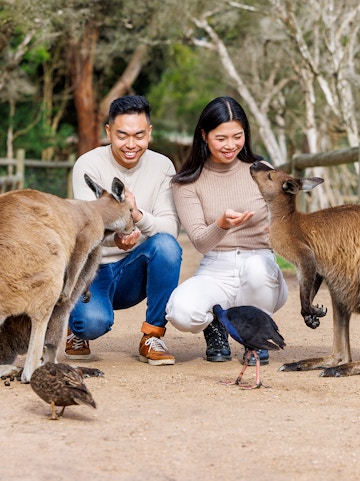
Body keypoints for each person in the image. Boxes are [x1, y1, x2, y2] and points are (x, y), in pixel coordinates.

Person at [165, 96, 288, 365]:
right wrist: (221, 225)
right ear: (204, 135)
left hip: (260, 265)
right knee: (181, 312)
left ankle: (256, 337)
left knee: (258, 269)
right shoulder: (186, 183)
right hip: (215, 267)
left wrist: (278, 228)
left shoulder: (263, 172)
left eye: (237, 136)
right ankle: (217, 324)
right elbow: (200, 241)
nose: (230, 145)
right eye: (221, 138)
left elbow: (285, 219)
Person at [65, 95, 182, 366]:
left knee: (166, 246)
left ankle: (152, 336)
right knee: (92, 324)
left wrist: (137, 215)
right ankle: (77, 327)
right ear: (108, 132)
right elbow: (85, 228)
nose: (131, 144)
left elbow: (170, 228)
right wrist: (115, 238)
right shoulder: (88, 164)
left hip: (134, 268)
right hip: (95, 269)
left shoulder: (163, 166)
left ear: (149, 132)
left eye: (139, 135)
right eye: (122, 135)